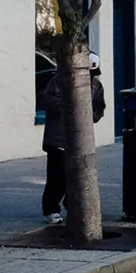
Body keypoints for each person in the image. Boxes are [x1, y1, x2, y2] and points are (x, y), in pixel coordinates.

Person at [40, 51, 106, 225]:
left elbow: (99, 107)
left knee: (80, 174)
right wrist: (67, 107)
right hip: (58, 139)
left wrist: (92, 115)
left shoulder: (96, 86)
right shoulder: (60, 81)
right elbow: (46, 99)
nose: (89, 77)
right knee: (57, 176)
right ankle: (50, 209)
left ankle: (73, 205)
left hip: (81, 141)